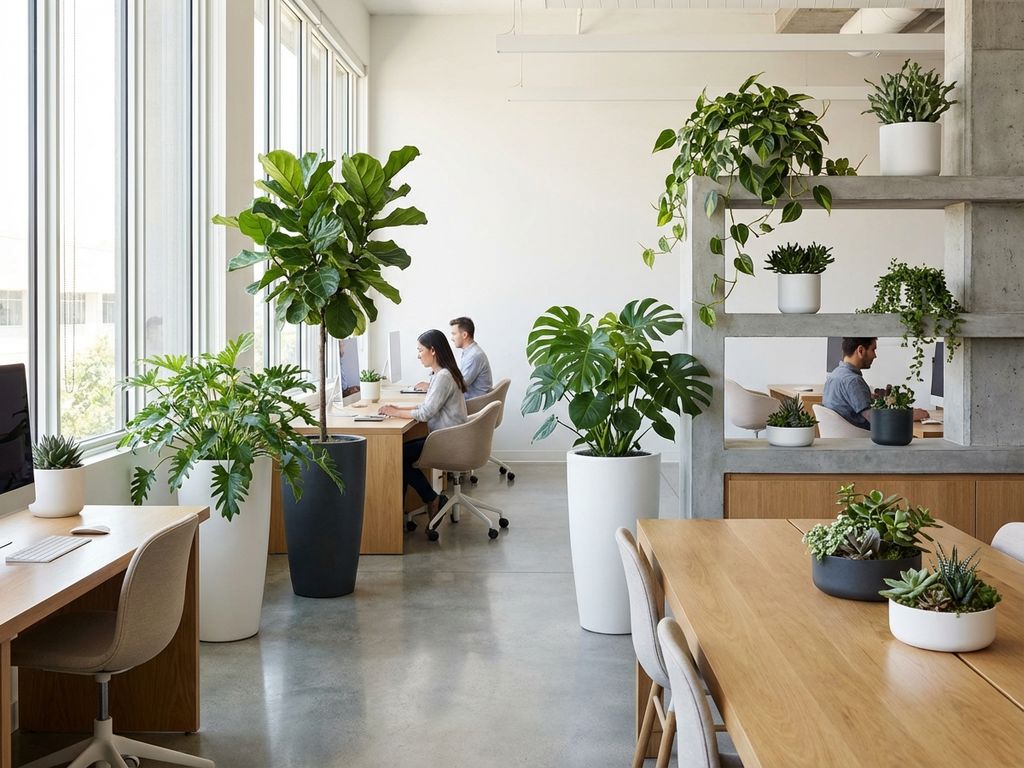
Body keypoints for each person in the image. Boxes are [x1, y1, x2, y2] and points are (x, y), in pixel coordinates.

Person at [379, 329, 468, 513]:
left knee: (397, 456)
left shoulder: (443, 377)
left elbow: (426, 413)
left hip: (447, 441)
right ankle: (412, 507)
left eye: (420, 350)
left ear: (433, 350)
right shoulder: (441, 374)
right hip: (449, 437)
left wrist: (396, 413)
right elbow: (427, 406)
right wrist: (397, 409)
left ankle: (431, 499)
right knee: (401, 453)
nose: (418, 356)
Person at [823, 337, 929, 429]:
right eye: (873, 350)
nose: (875, 356)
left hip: (844, 437)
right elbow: (876, 419)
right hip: (862, 438)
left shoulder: (834, 375)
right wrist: (911, 414)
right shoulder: (853, 381)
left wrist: (872, 399)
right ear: (860, 350)